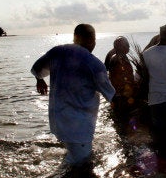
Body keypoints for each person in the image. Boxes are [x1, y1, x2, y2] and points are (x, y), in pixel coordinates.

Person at [31, 24, 115, 167]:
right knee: (81, 166)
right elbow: (111, 95)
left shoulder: (57, 52)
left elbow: (36, 69)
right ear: (92, 40)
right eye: (94, 39)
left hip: (58, 122)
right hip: (79, 128)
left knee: (71, 156)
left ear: (75, 37)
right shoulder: (94, 64)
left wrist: (39, 80)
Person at [107, 36, 136, 117]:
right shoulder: (118, 59)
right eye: (127, 44)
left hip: (121, 96)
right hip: (121, 97)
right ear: (121, 47)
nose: (129, 46)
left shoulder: (122, 57)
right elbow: (120, 79)